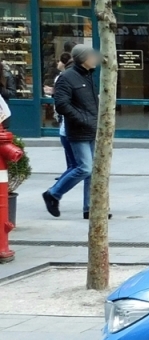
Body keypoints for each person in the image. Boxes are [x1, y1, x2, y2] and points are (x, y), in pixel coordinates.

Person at [43, 44, 99, 219]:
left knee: (92, 170)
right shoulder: (67, 77)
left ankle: (90, 208)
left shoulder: (88, 75)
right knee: (84, 168)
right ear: (83, 59)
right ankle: (53, 193)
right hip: (77, 130)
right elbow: (61, 104)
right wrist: (81, 118)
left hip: (91, 128)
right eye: (92, 56)